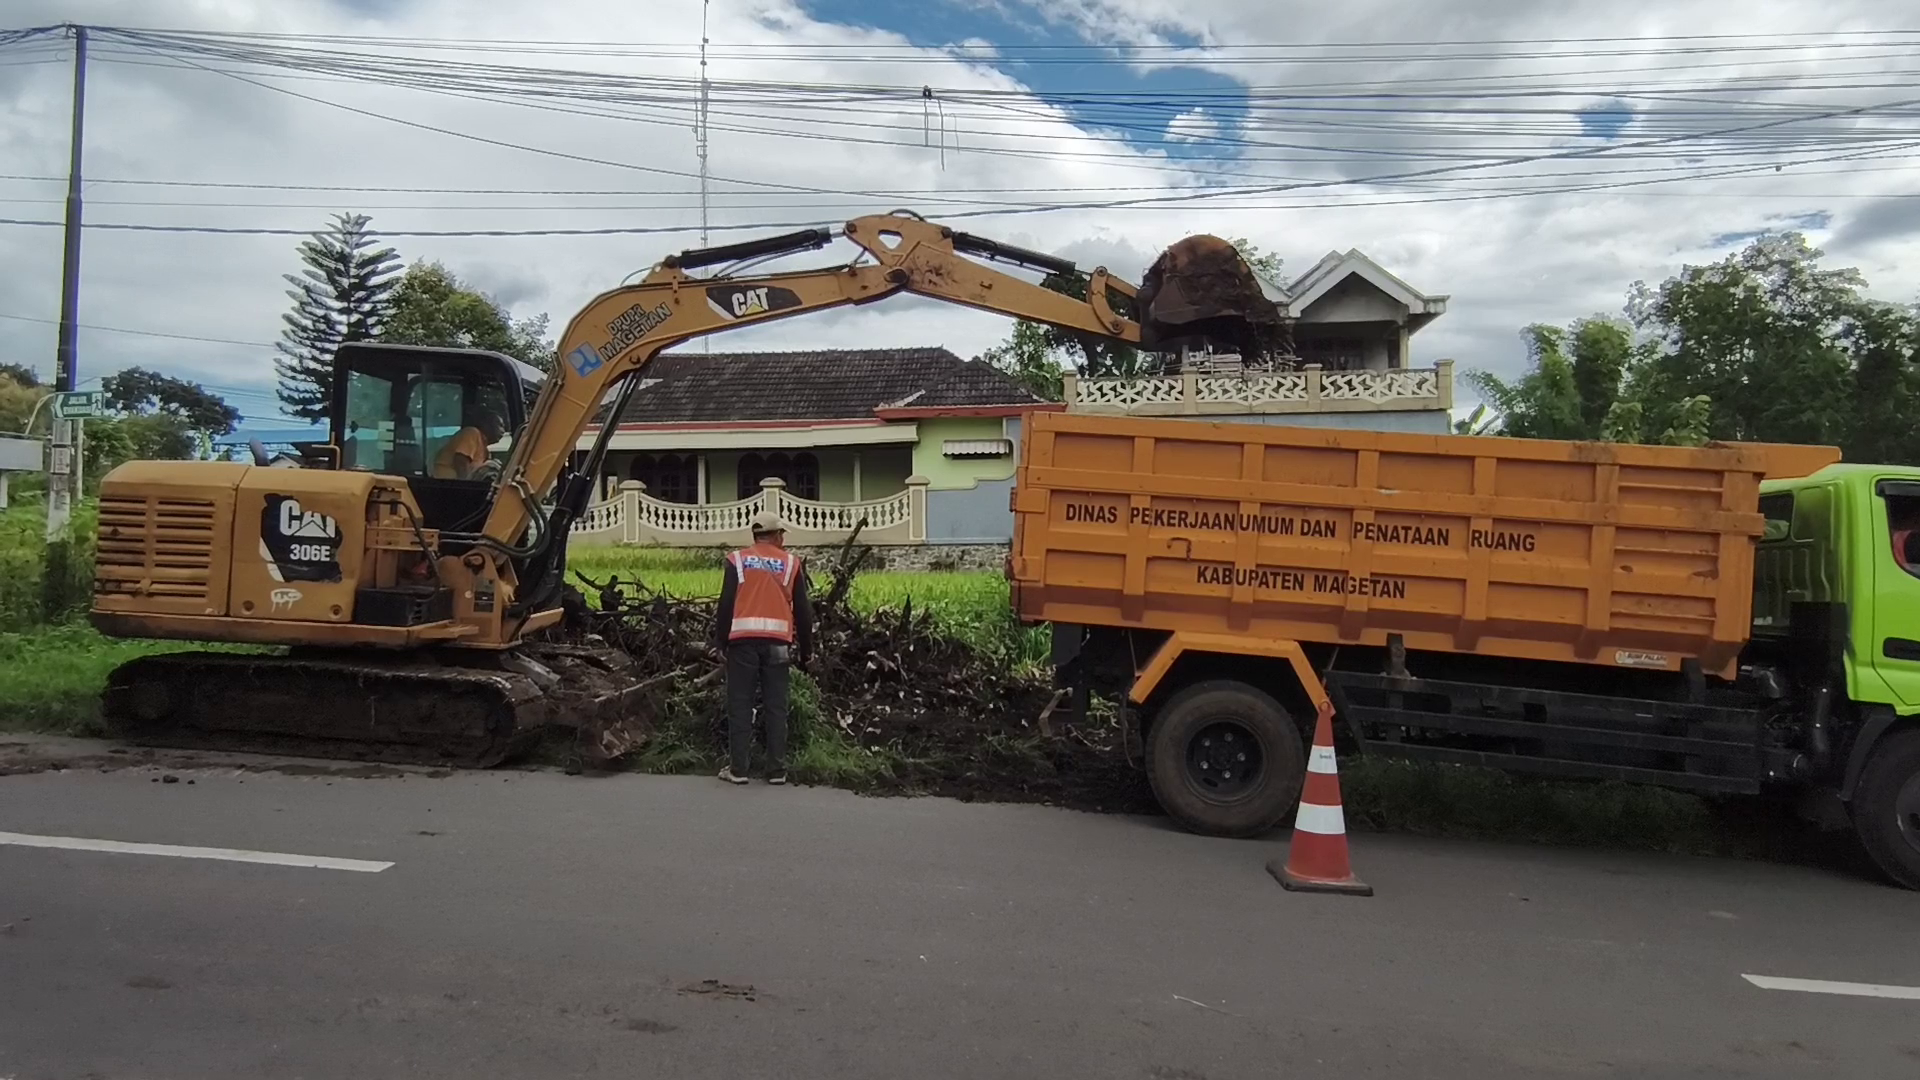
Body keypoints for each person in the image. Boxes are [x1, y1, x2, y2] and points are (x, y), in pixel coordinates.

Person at [711, 510, 813, 785]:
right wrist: (807, 650)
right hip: (778, 644)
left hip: (742, 643)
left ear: (755, 535)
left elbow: (726, 604)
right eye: (782, 534)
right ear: (777, 535)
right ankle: (777, 770)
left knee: (740, 704)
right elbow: (803, 611)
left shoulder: (737, 560)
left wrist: (720, 642)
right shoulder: (791, 563)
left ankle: (739, 770)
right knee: (776, 706)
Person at [432, 410, 505, 480]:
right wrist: (466, 485)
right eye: (500, 425)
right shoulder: (472, 433)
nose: (503, 431)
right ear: (486, 424)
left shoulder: (485, 450)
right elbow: (461, 461)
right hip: (445, 483)